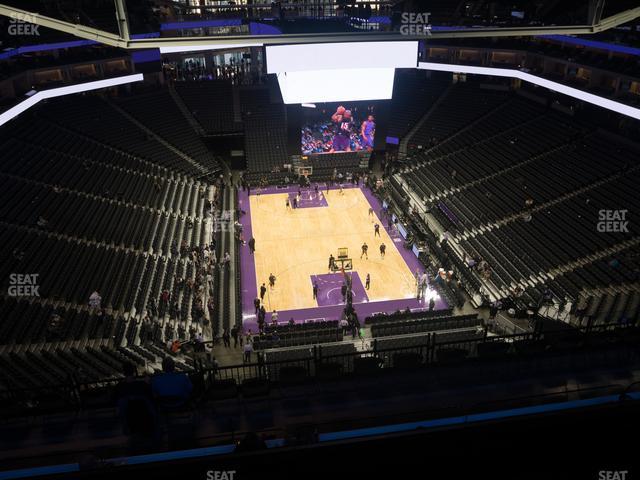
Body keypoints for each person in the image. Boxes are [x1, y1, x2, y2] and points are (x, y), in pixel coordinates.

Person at [114, 362, 157, 438]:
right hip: (145, 419)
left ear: (123, 373)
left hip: (129, 421)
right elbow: (152, 398)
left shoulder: (119, 387)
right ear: (134, 372)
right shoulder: (142, 385)